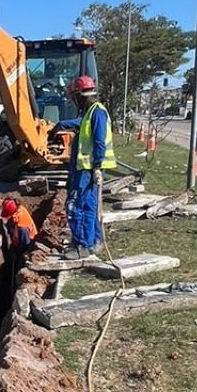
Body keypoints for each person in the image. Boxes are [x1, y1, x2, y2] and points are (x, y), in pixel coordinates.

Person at [52, 75, 116, 259]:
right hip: (84, 169)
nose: (73, 102)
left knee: (75, 205)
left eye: (74, 98)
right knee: (88, 206)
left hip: (88, 170)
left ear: (80, 95)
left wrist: (96, 166)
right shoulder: (90, 112)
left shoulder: (97, 112)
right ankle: (93, 240)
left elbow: (99, 141)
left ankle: (82, 245)